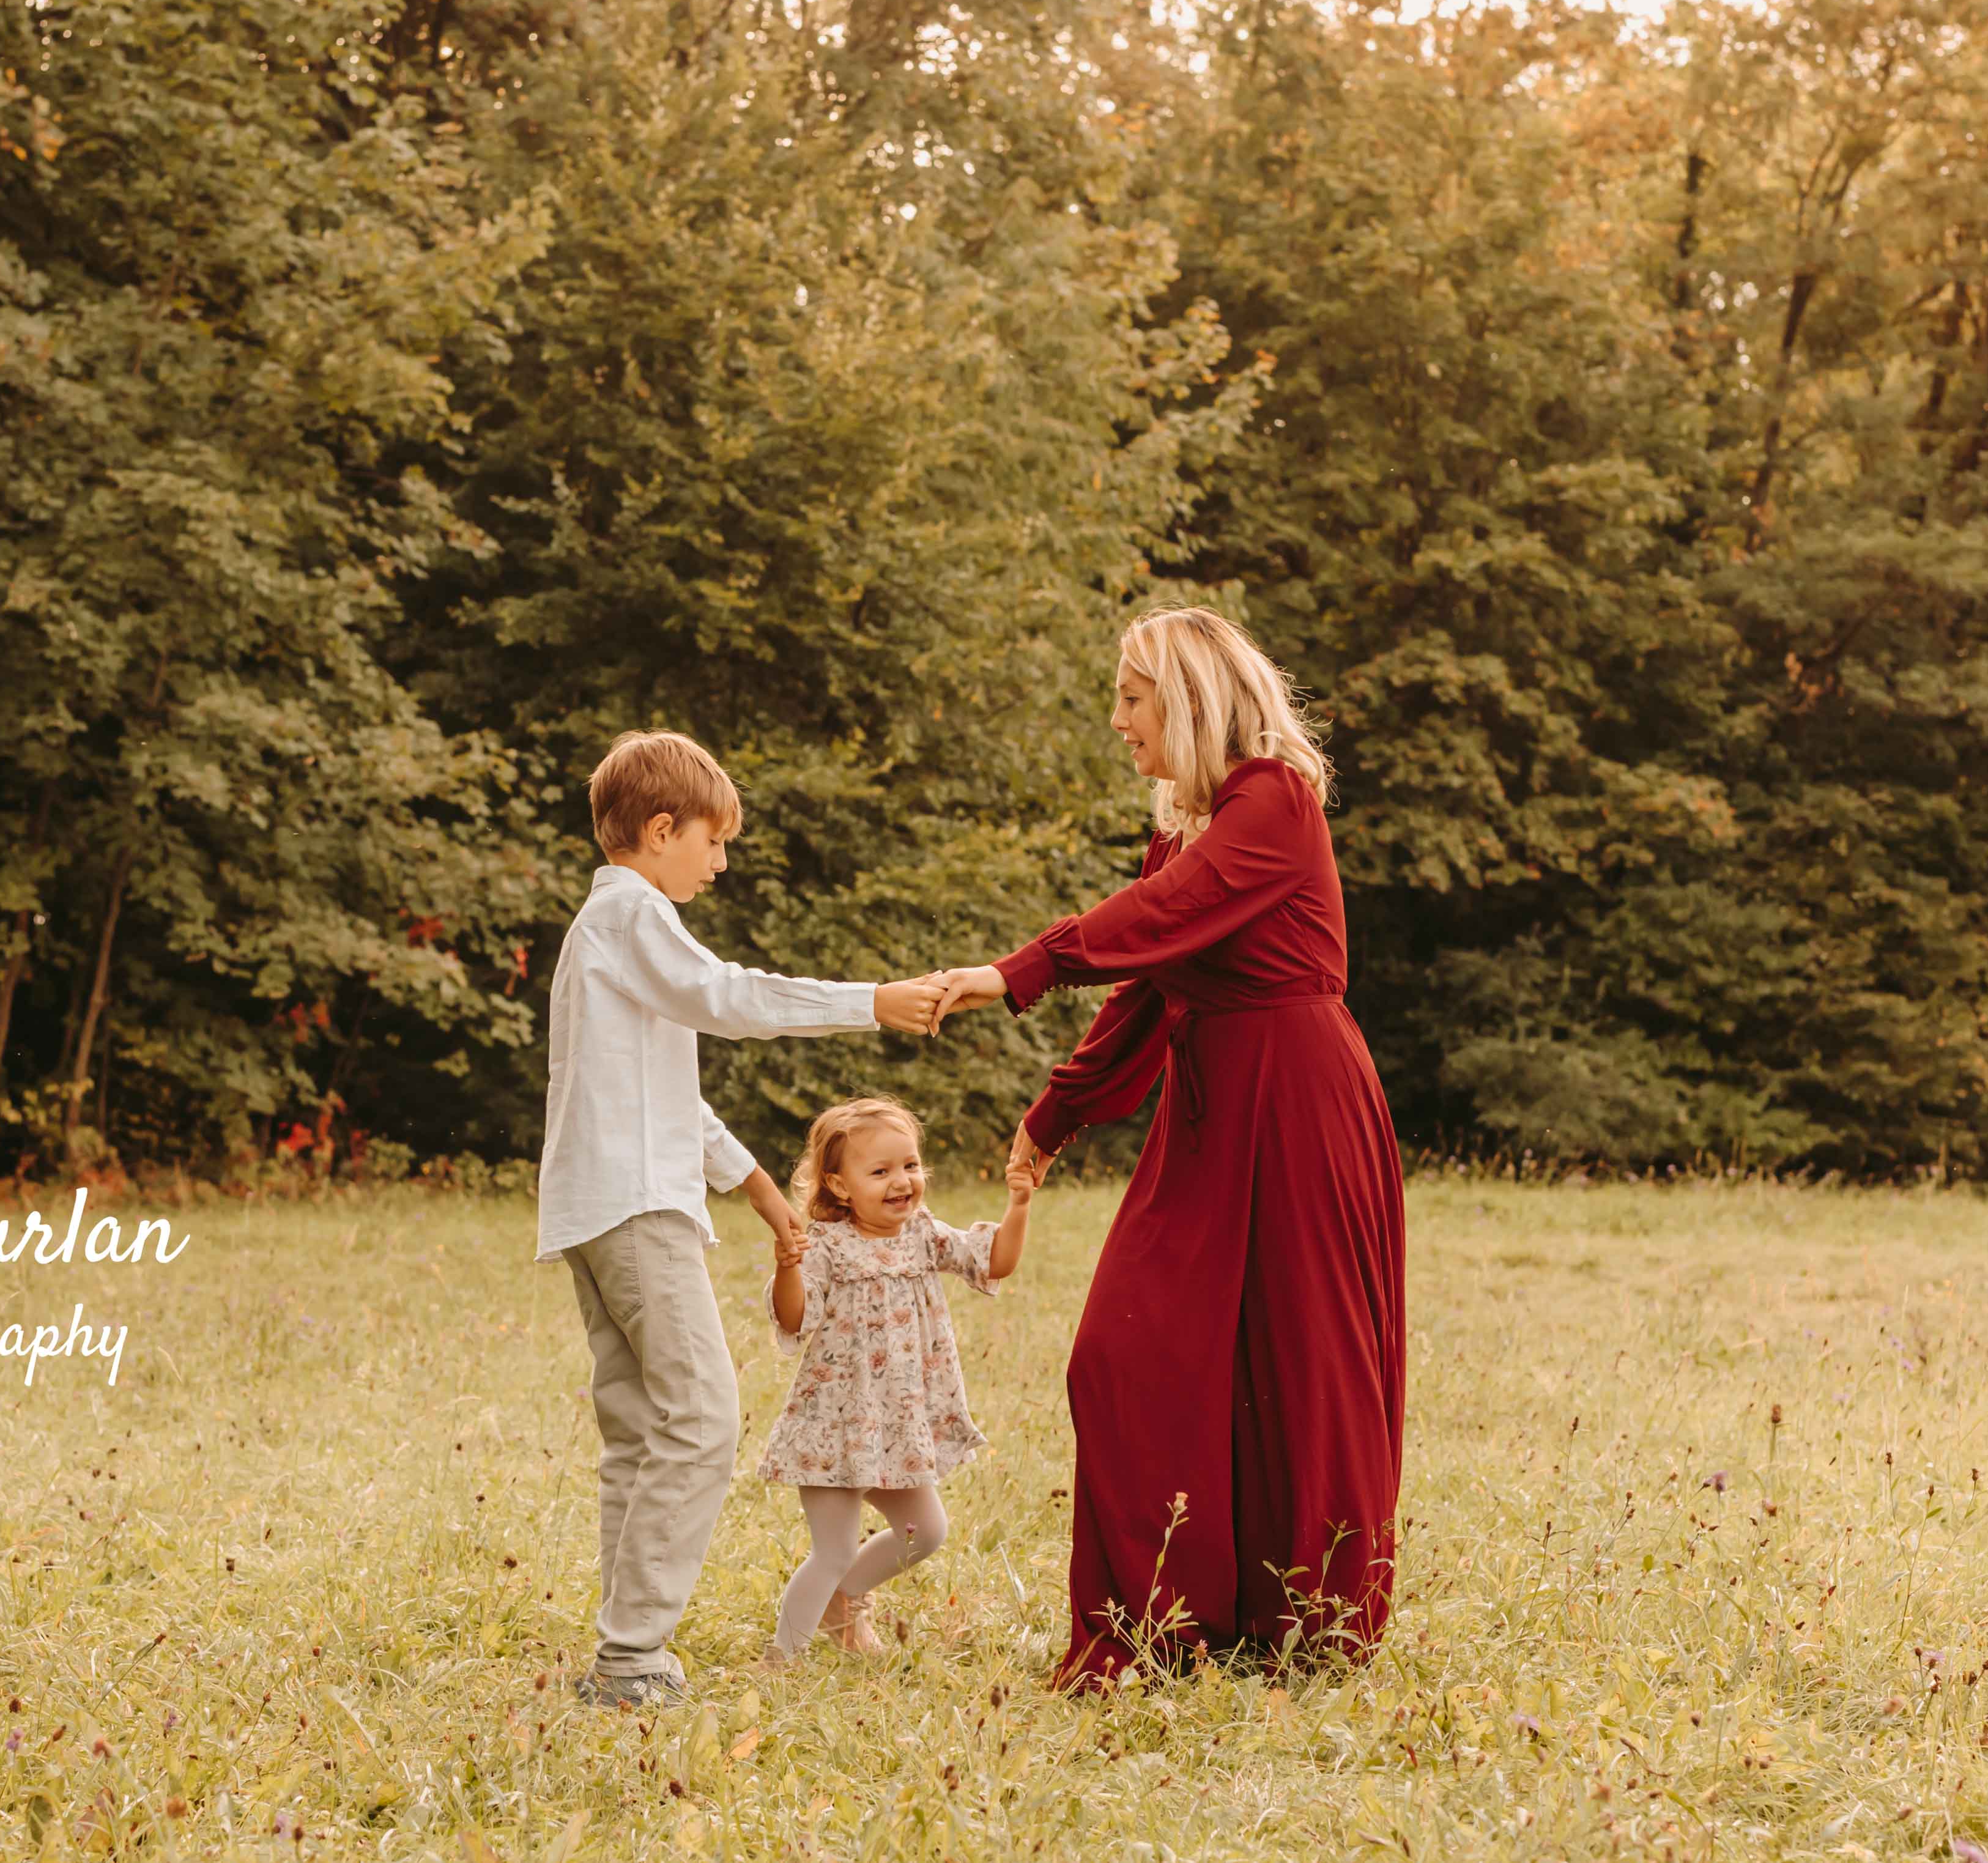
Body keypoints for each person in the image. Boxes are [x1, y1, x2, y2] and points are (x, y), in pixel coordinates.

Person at [935, 606, 1408, 1689]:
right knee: (1125, 1352)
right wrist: (1055, 1113)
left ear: (1188, 699)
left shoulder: (1274, 801)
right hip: (1210, 1109)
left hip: (1300, 1102)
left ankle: (1309, 1622)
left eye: (1131, 697)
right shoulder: (1188, 829)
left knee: (1300, 1361)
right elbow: (1153, 982)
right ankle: (1159, 1623)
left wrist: (1022, 968)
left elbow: (1161, 916)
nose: (1118, 720)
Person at [539, 730, 950, 1709]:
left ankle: (624, 1646)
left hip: (598, 1204)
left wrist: (761, 1187)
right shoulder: (634, 911)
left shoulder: (605, 930)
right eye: (713, 840)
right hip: (636, 1207)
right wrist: (870, 1001)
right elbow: (727, 995)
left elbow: (659, 1090)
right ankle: (632, 1656)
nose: (720, 863)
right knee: (702, 1416)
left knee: (642, 1427)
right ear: (660, 829)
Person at [753, 1096, 1037, 1665]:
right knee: (833, 1550)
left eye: (910, 1164)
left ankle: (844, 1599)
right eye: (880, 1171)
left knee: (925, 1530)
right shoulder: (828, 1245)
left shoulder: (922, 1234)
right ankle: (781, 1661)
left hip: (897, 1426)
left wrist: (1020, 1202)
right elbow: (793, 1317)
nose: (902, 1180)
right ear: (839, 1185)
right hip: (837, 1426)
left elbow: (995, 1261)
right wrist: (787, 1266)